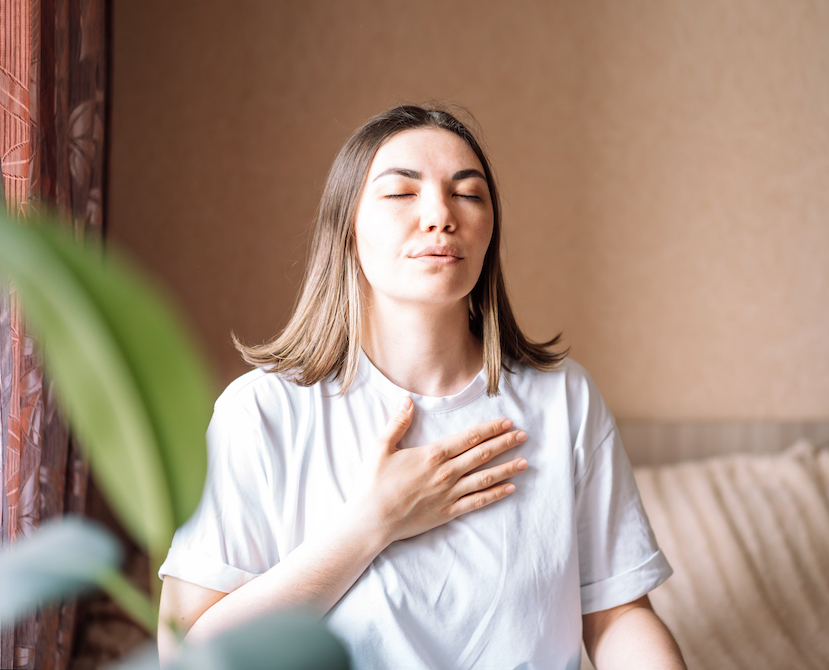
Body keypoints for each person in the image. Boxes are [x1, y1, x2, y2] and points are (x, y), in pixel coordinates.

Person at [157, 105, 686, 669]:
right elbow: (184, 654)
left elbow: (617, 616)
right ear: (347, 228)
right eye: (400, 194)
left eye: (469, 194)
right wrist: (373, 523)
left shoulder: (565, 399)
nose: (440, 214)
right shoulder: (261, 412)